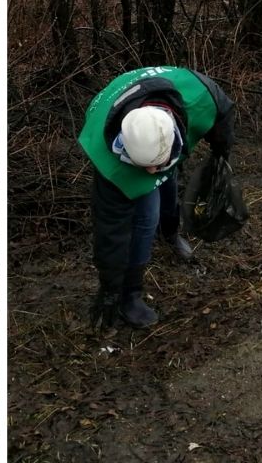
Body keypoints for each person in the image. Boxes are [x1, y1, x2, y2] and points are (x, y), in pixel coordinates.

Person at [81, 66, 236, 329]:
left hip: (169, 123)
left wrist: (221, 154)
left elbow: (223, 115)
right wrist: (110, 288)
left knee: (167, 179)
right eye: (146, 167)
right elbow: (110, 231)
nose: (152, 172)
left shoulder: (201, 97)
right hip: (117, 127)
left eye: (158, 163)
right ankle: (131, 293)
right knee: (146, 217)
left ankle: (170, 232)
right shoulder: (109, 165)